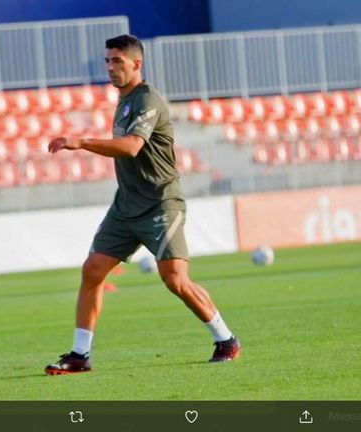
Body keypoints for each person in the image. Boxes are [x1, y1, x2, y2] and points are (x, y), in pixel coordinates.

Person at [45, 34, 240, 375]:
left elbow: (132, 146)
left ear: (136, 64)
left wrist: (81, 142)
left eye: (117, 61)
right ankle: (79, 355)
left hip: (160, 203)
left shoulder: (148, 99)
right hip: (126, 206)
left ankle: (225, 339)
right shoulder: (124, 102)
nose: (110, 67)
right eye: (107, 61)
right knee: (92, 271)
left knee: (175, 280)